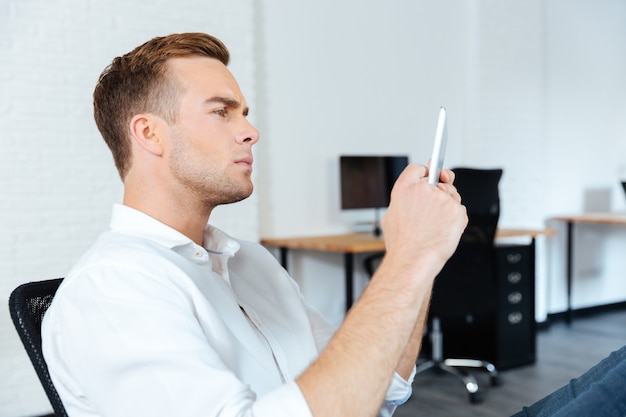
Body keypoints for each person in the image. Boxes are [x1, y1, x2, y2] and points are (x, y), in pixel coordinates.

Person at [42, 32, 468, 417]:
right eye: (222, 112)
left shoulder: (252, 263)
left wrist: (419, 257)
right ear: (149, 134)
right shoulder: (112, 288)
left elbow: (379, 387)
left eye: (243, 113)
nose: (251, 131)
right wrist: (409, 257)